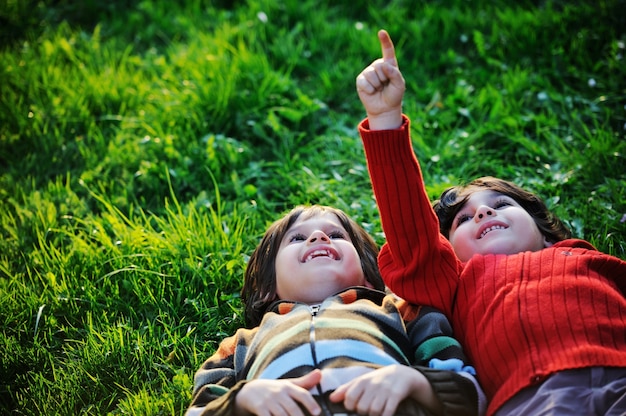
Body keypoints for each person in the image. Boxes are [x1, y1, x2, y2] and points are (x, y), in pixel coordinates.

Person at [355, 29, 626, 416]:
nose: (482, 213)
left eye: (500, 204)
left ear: (544, 229)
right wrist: (384, 119)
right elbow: (413, 236)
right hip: (533, 400)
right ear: (448, 251)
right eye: (463, 219)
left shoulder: (584, 258)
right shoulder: (456, 284)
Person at [186, 205, 485, 416]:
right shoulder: (239, 345)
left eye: (337, 235)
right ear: (268, 288)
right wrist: (242, 400)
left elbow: (471, 394)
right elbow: (199, 409)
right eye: (298, 238)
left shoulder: (403, 313)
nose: (319, 237)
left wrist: (414, 382)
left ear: (368, 276)